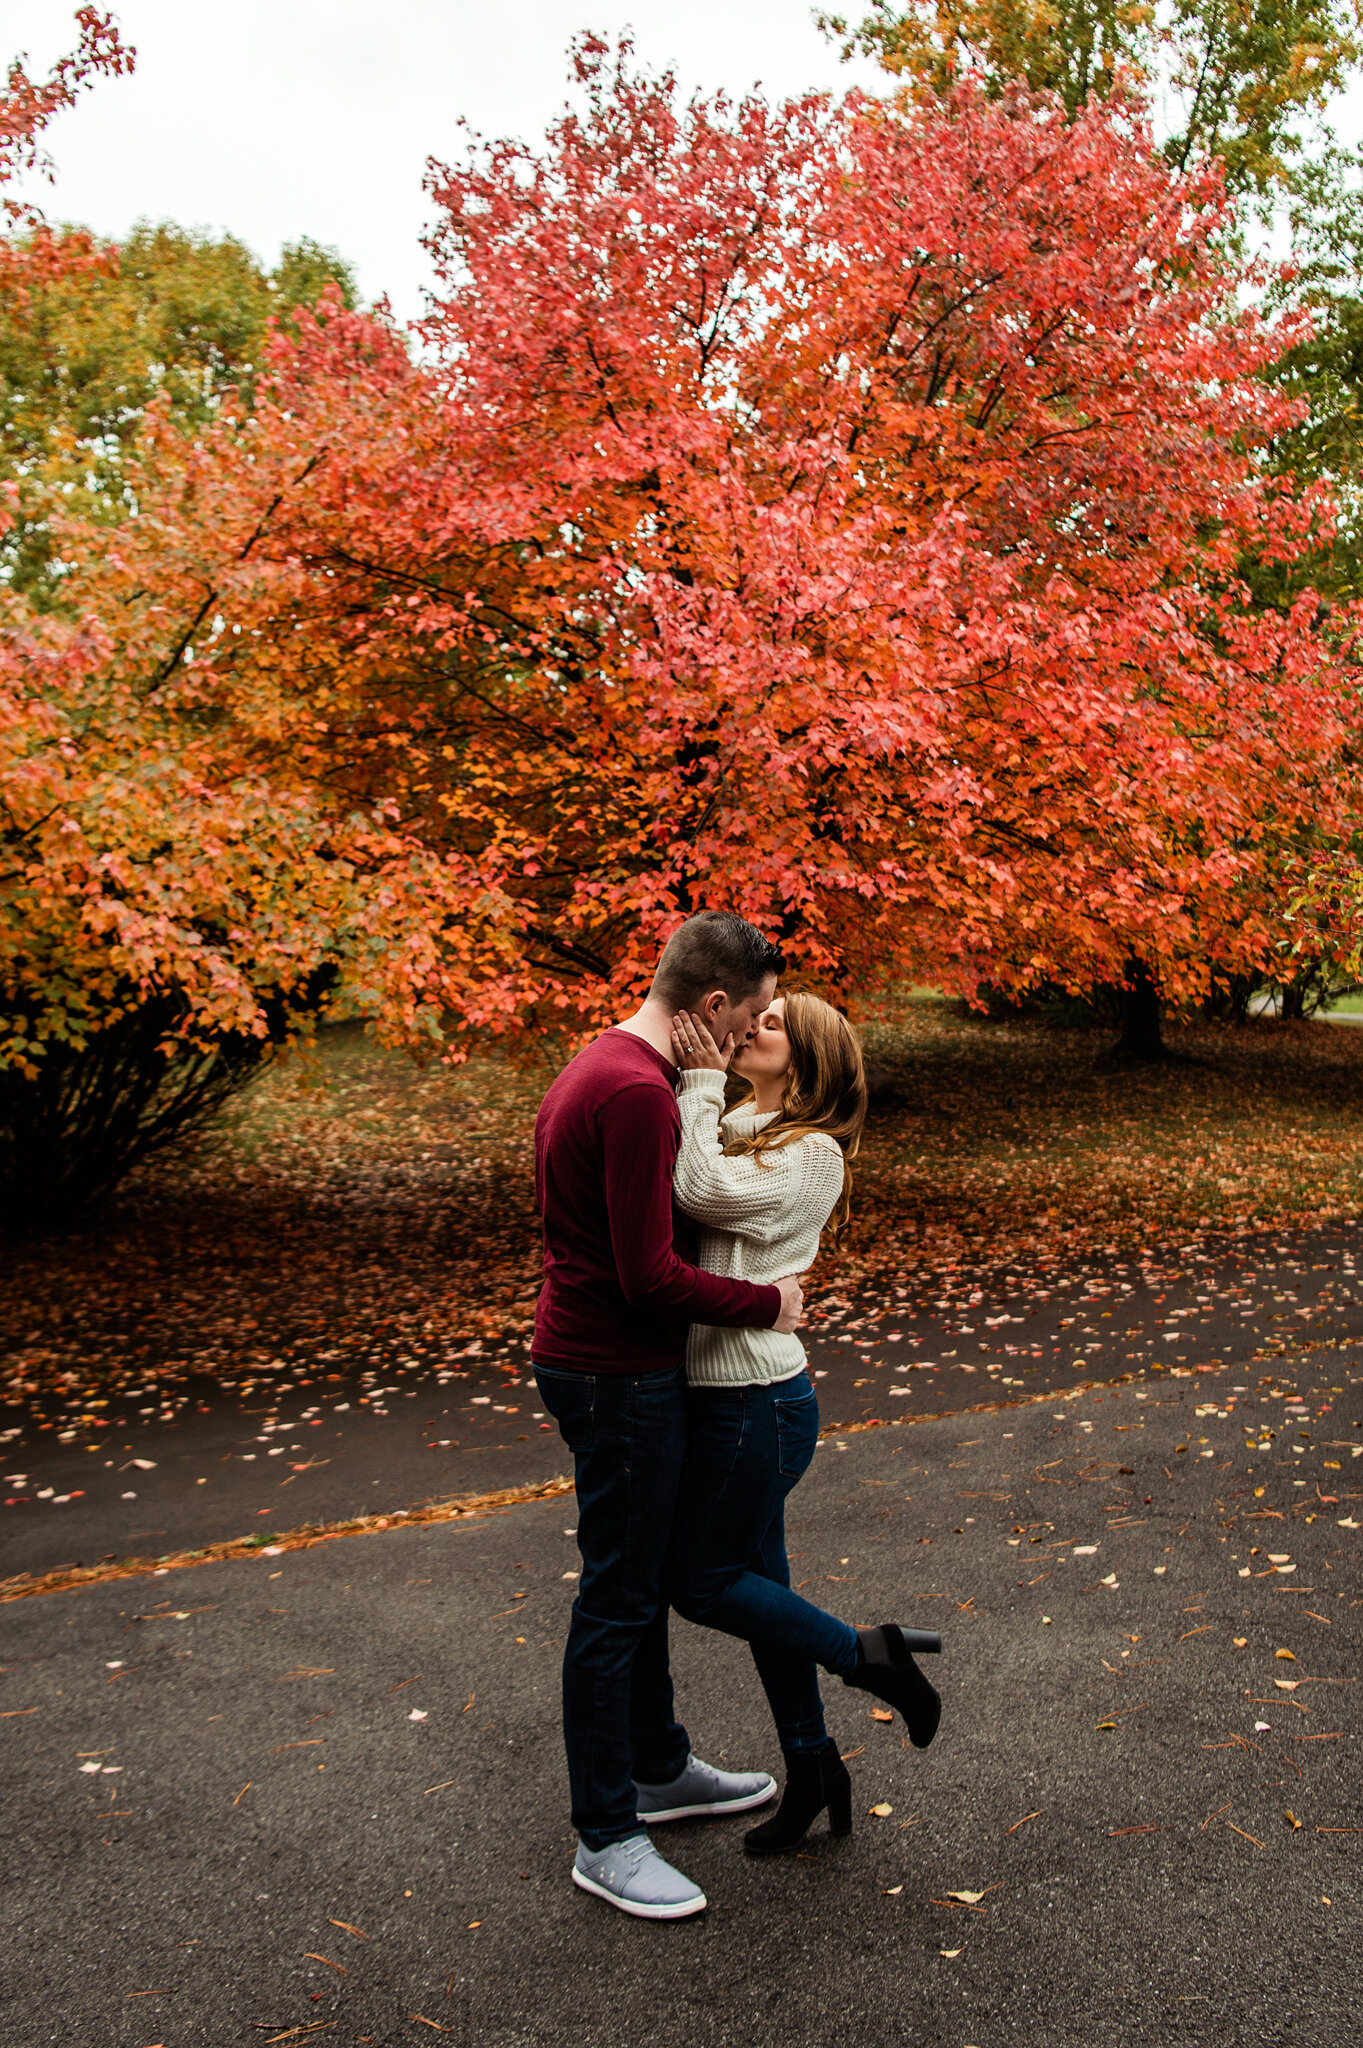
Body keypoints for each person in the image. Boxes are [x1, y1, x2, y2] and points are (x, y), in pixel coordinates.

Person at [531, 910, 808, 1920]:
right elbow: (649, 1276)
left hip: (597, 1360)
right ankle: (606, 1833)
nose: (751, 1036)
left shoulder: (602, 1064)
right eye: (751, 1017)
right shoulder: (638, 1093)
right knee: (616, 1596)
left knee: (638, 1583)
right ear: (712, 1007)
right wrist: (765, 1301)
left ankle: (655, 1764)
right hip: (617, 1372)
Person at [665, 992, 944, 1855]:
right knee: (764, 1601)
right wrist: (708, 1094)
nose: (751, 1027)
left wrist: (697, 1083)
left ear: (810, 1061)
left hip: (757, 1405)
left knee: (702, 1583)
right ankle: (814, 1762)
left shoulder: (813, 1152)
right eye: (756, 1016)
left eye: (774, 1024)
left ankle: (869, 1655)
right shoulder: (744, 1118)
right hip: (719, 1396)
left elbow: (701, 1193)